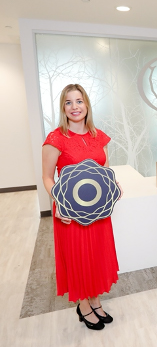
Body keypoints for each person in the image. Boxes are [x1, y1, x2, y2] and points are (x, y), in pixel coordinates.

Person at [42, 84, 120, 331]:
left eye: (79, 101)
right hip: (70, 213)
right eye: (68, 102)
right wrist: (59, 205)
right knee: (78, 257)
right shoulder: (55, 139)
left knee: (96, 255)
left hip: (98, 211)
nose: (74, 107)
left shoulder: (99, 136)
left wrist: (114, 185)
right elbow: (47, 178)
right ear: (63, 108)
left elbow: (104, 171)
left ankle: (96, 299)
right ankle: (83, 304)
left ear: (87, 105)